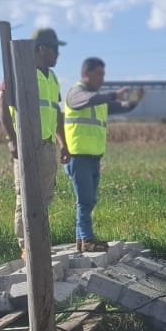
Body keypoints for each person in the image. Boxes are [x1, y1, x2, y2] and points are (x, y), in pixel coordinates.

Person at [0, 27, 71, 254]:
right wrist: (12, 140)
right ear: (41, 49)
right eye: (55, 50)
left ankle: (39, 243)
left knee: (44, 198)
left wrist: (62, 143)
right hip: (26, 145)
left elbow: (55, 112)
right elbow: (1, 106)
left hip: (47, 145)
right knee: (25, 198)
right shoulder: (20, 71)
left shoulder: (52, 77)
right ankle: (26, 249)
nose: (58, 55)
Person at [62, 57, 143, 253]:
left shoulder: (99, 100)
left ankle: (81, 241)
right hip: (78, 156)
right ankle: (87, 239)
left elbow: (124, 107)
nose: (102, 78)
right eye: (99, 74)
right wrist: (114, 94)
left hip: (93, 157)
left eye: (103, 74)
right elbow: (85, 101)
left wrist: (135, 99)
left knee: (88, 200)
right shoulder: (76, 93)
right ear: (86, 74)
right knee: (85, 199)